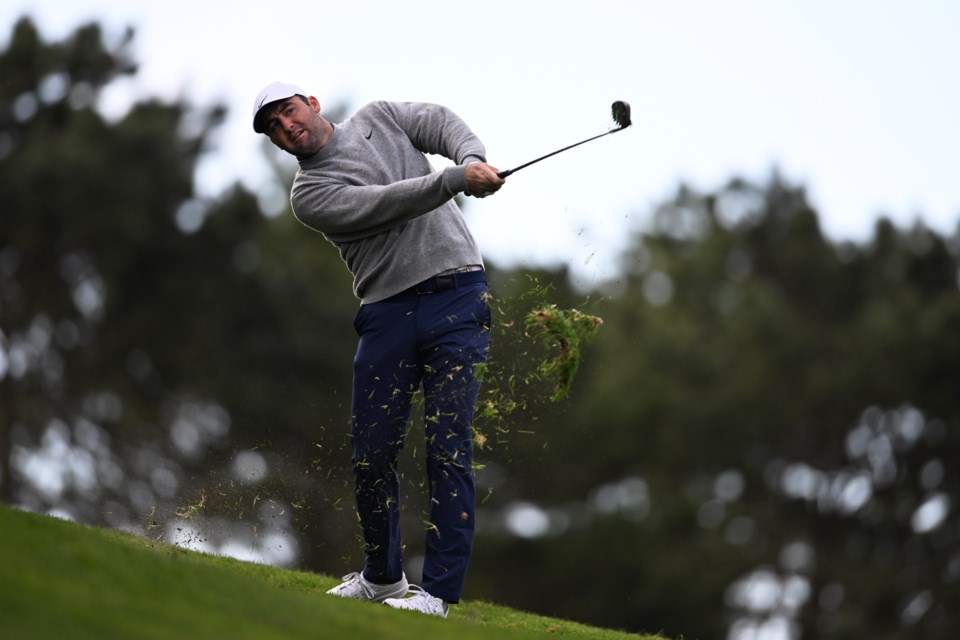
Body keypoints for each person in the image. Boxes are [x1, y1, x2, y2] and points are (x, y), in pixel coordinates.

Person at [251, 81, 505, 618]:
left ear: (312, 104)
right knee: (371, 454)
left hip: (457, 297)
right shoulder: (309, 195)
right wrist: (456, 179)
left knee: (448, 446)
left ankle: (435, 592)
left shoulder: (379, 117)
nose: (285, 126)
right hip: (387, 314)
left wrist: (472, 157)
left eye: (288, 112)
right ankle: (384, 578)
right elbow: (383, 205)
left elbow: (439, 121)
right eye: (273, 126)